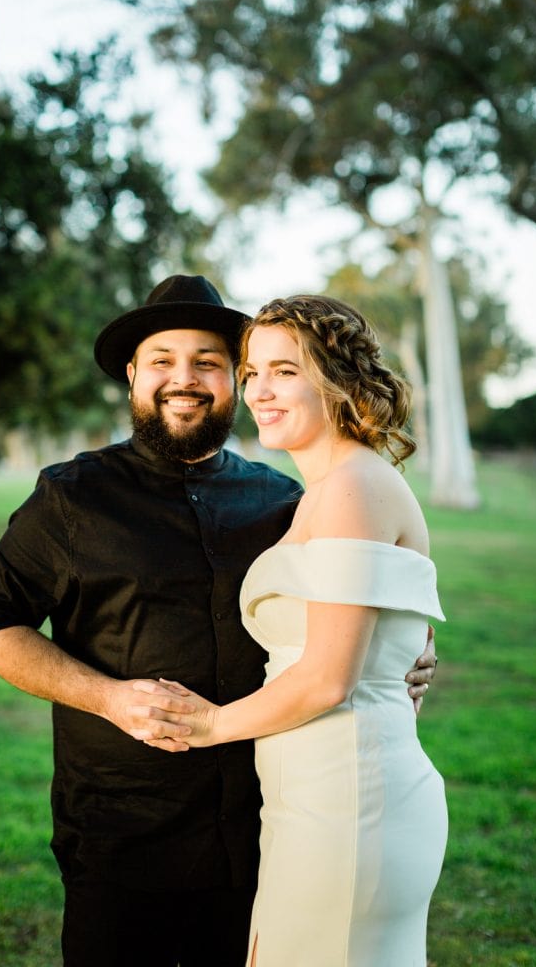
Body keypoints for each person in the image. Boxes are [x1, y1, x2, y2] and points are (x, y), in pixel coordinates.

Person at [0, 276, 438, 967]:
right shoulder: (72, 496)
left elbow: (364, 600)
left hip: (265, 824)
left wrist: (402, 659)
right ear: (131, 375)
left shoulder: (285, 499)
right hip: (122, 831)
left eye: (208, 362)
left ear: (231, 382)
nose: (184, 379)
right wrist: (109, 698)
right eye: (161, 360)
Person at [135, 294, 447, 967]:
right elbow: (396, 637)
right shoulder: (328, 489)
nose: (258, 391)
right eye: (251, 372)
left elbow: (330, 677)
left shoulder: (351, 489)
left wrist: (206, 725)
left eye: (284, 371)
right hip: (311, 796)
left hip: (349, 803)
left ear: (336, 380)